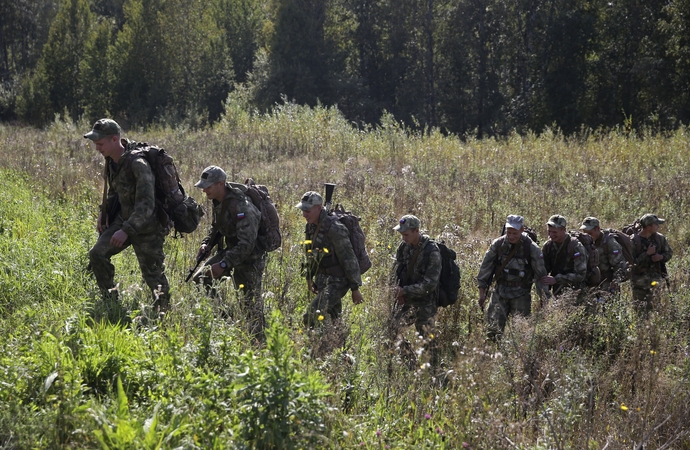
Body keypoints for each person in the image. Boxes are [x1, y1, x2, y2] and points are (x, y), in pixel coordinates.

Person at [85, 118, 170, 314]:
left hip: (148, 227)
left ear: (115, 139)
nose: (97, 148)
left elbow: (146, 204)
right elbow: (115, 191)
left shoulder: (138, 164)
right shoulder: (111, 161)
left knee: (153, 276)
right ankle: (111, 302)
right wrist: (103, 212)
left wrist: (126, 230)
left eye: (100, 144)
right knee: (97, 253)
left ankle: (162, 314)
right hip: (124, 220)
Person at [193, 166, 266, 339]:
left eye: (208, 186)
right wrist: (206, 244)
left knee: (250, 303)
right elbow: (217, 227)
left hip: (250, 258)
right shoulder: (219, 200)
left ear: (221, 184)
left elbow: (247, 244)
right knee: (201, 278)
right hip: (233, 251)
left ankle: (260, 341)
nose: (204, 190)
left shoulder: (242, 206)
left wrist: (224, 263)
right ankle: (228, 321)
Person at [476, 215, 549, 340]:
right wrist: (482, 292)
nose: (511, 236)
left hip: (521, 295)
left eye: (514, 233)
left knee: (521, 334)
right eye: (508, 232)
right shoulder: (498, 244)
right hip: (500, 293)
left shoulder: (531, 248)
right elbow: (485, 268)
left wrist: (543, 298)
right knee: (492, 332)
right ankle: (493, 356)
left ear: (522, 230)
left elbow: (540, 275)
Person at [297, 191, 363, 328]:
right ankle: (336, 345)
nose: (304, 214)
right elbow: (309, 254)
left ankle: (312, 347)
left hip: (338, 280)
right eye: (302, 210)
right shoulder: (310, 226)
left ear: (319, 208)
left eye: (307, 210)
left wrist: (355, 288)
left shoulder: (334, 228)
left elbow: (348, 258)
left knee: (310, 316)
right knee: (334, 318)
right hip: (323, 279)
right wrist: (309, 278)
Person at [391, 215, 441, 365]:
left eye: (406, 234)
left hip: (425, 303)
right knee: (393, 331)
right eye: (401, 234)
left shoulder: (432, 251)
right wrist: (396, 291)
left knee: (428, 342)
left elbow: (430, 284)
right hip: (406, 301)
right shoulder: (403, 247)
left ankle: (434, 375)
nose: (403, 238)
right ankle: (411, 364)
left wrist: (404, 291)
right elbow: (395, 271)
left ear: (416, 231)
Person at [630, 213, 673, 315]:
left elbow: (669, 253)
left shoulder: (660, 238)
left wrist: (661, 257)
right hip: (639, 282)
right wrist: (647, 254)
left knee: (656, 310)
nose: (658, 226)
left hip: (656, 280)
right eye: (656, 224)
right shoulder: (633, 241)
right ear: (649, 227)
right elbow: (631, 264)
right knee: (640, 312)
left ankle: (653, 330)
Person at [541, 215, 587, 296]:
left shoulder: (575, 247)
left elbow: (581, 275)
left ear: (564, 230)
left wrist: (556, 279)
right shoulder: (548, 245)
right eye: (549, 231)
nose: (551, 235)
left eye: (554, 232)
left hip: (576, 291)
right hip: (557, 291)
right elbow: (544, 268)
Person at [580, 217, 628, 293]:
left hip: (607, 285)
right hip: (591, 284)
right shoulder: (586, 242)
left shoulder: (610, 243)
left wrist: (615, 283)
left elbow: (619, 266)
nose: (587, 236)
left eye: (589, 233)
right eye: (584, 233)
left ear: (598, 229)